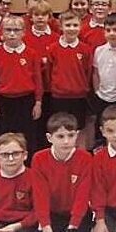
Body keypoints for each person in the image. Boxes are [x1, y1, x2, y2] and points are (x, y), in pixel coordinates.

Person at [32, 112, 93, 232]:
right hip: (52, 214)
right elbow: (40, 197)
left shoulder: (85, 158)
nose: (66, 141)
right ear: (49, 138)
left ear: (77, 135)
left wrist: (72, 231)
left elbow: (82, 197)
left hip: (77, 216)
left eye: (71, 135)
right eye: (60, 137)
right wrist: (46, 230)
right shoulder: (39, 159)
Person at [0, 13, 43, 139]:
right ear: (2, 32)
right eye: (8, 30)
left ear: (23, 32)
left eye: (16, 30)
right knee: (5, 137)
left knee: (28, 137)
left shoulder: (32, 53)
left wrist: (38, 103)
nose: (12, 34)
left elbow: (38, 79)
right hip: (4, 102)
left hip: (27, 101)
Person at [43, 11, 95, 143]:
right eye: (68, 25)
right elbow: (49, 73)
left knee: (79, 128)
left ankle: (81, 156)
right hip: (59, 97)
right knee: (59, 129)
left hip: (79, 96)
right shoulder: (52, 49)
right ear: (61, 27)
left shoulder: (86, 49)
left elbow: (88, 72)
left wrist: (82, 87)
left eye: (75, 25)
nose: (72, 28)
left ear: (80, 26)